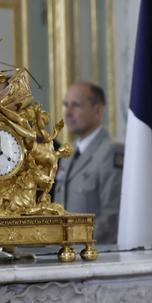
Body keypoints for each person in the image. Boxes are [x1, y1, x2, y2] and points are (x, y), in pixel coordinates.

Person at [53, 81, 124, 244]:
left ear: (98, 110)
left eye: (76, 105)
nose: (68, 112)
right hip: (66, 255)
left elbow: (111, 218)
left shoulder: (111, 152)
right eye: (66, 105)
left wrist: (73, 243)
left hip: (95, 256)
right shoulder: (68, 154)